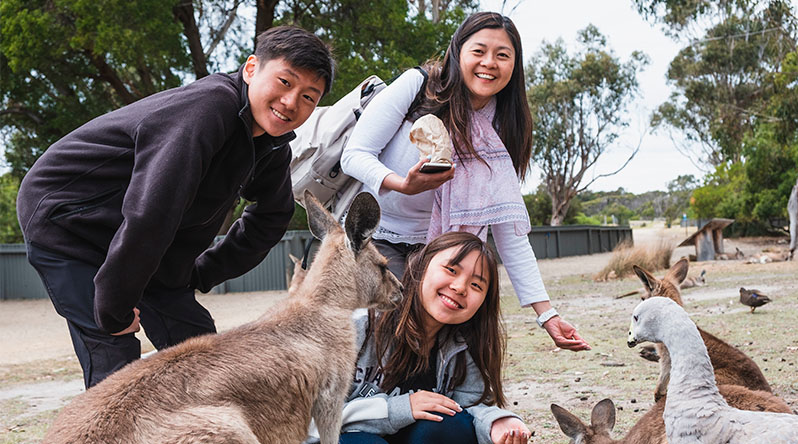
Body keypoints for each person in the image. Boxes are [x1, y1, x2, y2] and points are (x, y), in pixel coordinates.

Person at [16, 25, 334, 388]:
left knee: (200, 353)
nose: (291, 102)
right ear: (251, 69)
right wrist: (115, 305)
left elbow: (271, 218)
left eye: (309, 97)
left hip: (141, 239)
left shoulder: (273, 148)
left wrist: (199, 272)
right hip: (68, 220)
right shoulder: (207, 109)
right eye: (285, 82)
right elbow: (153, 209)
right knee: (116, 357)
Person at [340, 12, 590, 352]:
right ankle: (386, 406)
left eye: (503, 55)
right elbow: (355, 154)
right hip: (379, 239)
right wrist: (401, 184)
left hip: (445, 255)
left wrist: (547, 314)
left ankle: (448, 403)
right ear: (458, 51)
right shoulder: (419, 86)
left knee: (455, 343)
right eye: (479, 51)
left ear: (515, 65)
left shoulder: (502, 127)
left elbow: (507, 231)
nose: (489, 63)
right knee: (389, 336)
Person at [312, 231, 529, 444]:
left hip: (412, 437)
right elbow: (311, 418)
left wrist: (497, 423)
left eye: (476, 285)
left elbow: (470, 406)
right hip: (346, 436)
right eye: (451, 270)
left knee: (447, 425)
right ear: (421, 264)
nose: (460, 287)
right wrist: (401, 408)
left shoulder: (463, 345)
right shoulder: (356, 326)